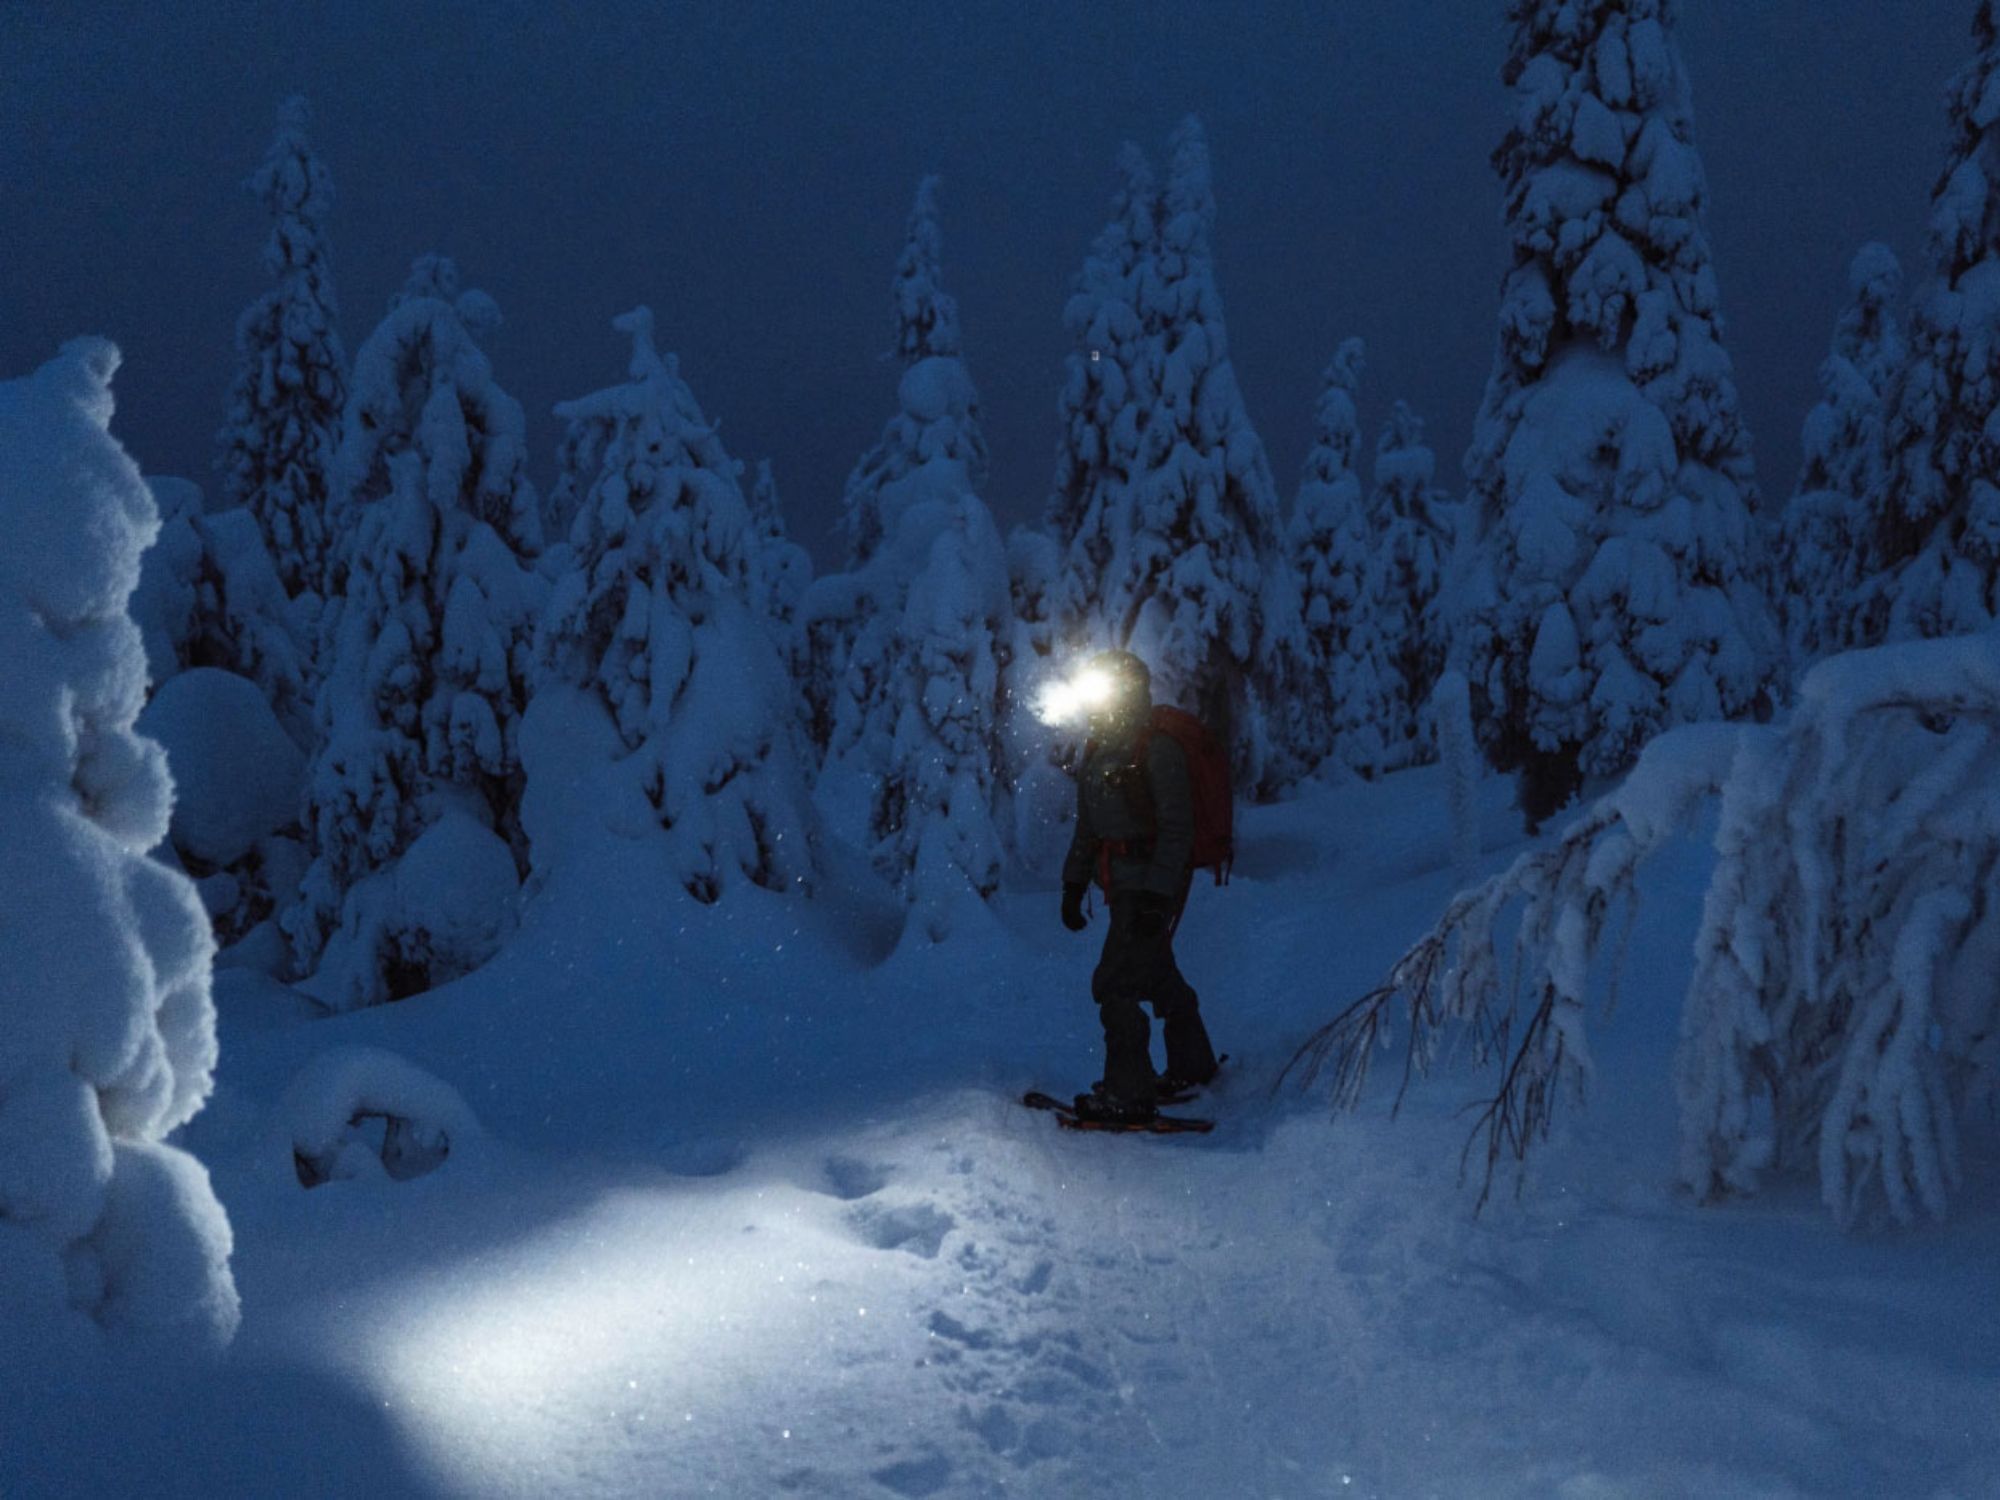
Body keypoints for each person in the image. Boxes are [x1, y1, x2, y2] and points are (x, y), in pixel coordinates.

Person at [1059, 650, 1219, 1123]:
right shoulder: (1097, 751)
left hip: (1150, 887)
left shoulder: (1156, 748)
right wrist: (1072, 885)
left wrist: (1157, 896)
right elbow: (1088, 829)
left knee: (1115, 983)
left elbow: (1178, 828)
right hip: (1122, 888)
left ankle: (1127, 1092)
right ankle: (1193, 1065)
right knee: (1156, 973)